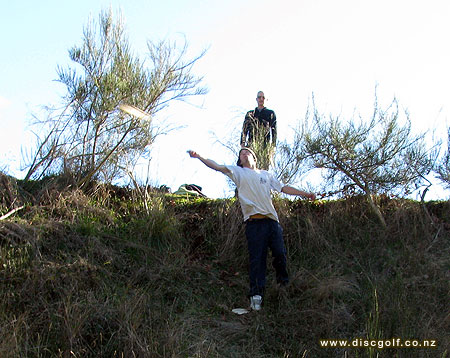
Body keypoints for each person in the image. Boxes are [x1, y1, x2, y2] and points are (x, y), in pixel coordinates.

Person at [187, 147, 315, 311]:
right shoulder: (238, 172)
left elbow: (283, 188)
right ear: (240, 160)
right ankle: (256, 296)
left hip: (272, 222)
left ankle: (283, 286)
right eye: (241, 153)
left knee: (280, 254)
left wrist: (306, 194)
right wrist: (199, 156)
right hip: (254, 224)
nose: (244, 154)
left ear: (254, 157)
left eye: (247, 152)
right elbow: (216, 166)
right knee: (257, 259)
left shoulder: (266, 175)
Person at [240, 91, 277, 170]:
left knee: (263, 170)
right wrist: (242, 143)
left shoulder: (270, 113)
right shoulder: (250, 114)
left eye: (263, 97)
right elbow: (244, 129)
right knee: (249, 168)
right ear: (256, 99)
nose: (261, 99)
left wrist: (273, 146)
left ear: (265, 99)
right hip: (251, 145)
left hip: (265, 145)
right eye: (259, 97)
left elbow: (274, 130)